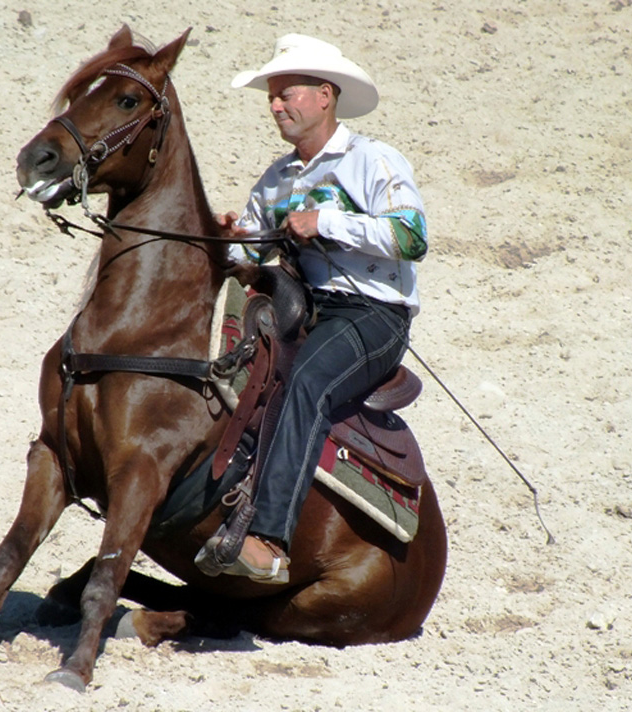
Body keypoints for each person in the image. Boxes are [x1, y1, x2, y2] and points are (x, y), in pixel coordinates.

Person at [206, 34, 428, 583]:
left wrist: (324, 222)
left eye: (287, 93)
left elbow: (412, 237)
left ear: (325, 95)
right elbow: (253, 249)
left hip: (373, 315)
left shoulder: (374, 160)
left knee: (306, 381)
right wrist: (229, 240)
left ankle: (270, 541)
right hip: (302, 307)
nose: (276, 105)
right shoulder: (276, 179)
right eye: (272, 97)